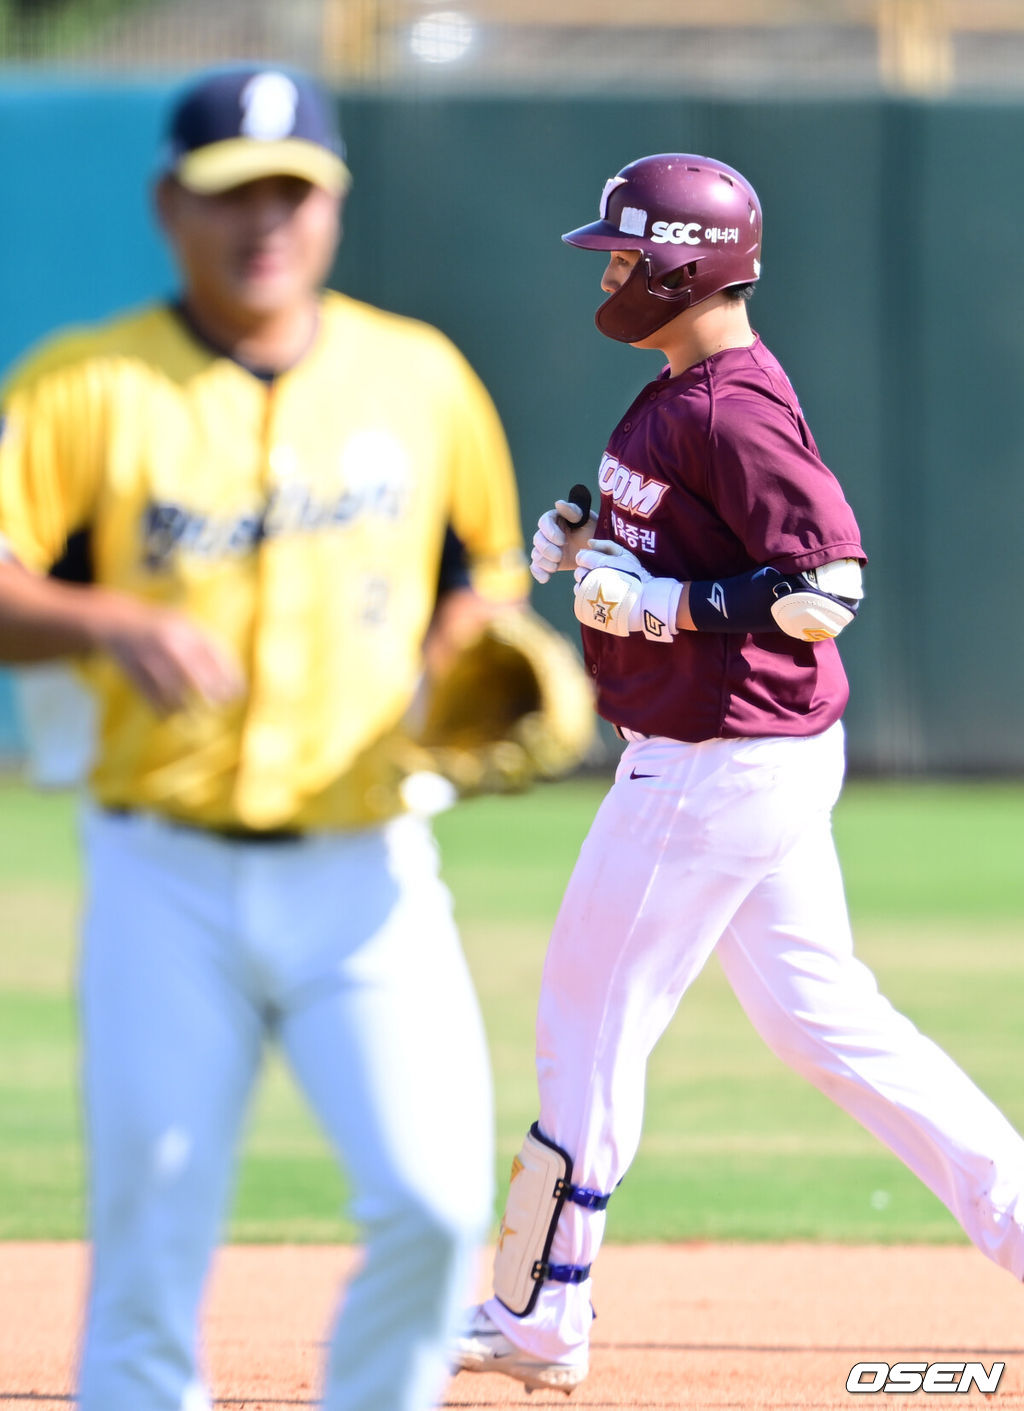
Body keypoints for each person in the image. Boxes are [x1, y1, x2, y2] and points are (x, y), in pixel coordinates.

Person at [0, 65, 532, 1411]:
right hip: (160, 869)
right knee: (152, 1231)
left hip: (369, 861)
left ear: (334, 203)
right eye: (235, 195)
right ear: (171, 204)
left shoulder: (418, 376)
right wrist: (105, 617)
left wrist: (469, 651)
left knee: (431, 1197)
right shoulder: (86, 382)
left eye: (294, 191)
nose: (267, 223)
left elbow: (482, 570)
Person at [450, 153, 1024, 1395]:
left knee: (587, 1025)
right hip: (750, 758)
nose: (605, 272)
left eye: (620, 253)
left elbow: (827, 587)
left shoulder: (730, 403)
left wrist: (668, 607)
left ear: (681, 264)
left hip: (714, 765)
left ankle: (537, 1314)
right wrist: (586, 532)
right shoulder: (684, 386)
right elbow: (678, 511)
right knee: (826, 1023)